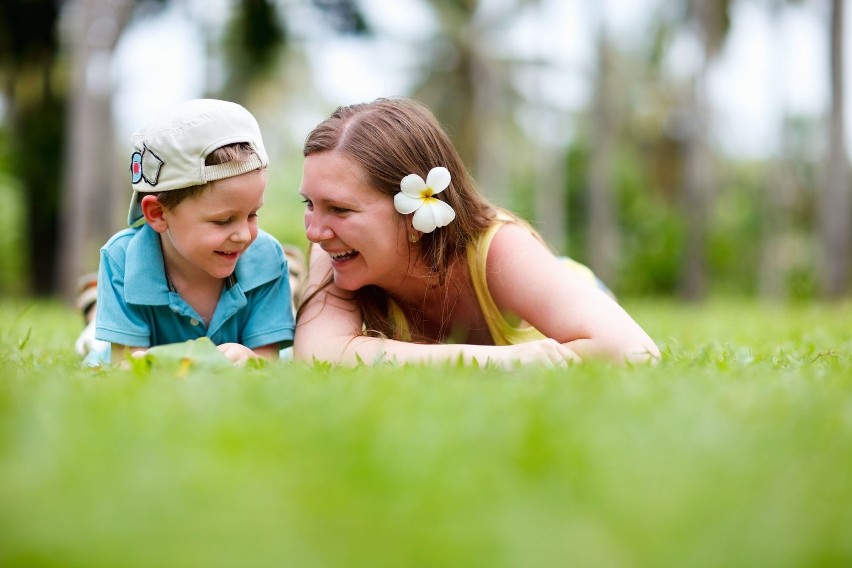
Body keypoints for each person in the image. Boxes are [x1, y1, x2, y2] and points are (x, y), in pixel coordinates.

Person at [294, 97, 660, 368]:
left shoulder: (501, 248)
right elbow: (318, 355)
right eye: (310, 204)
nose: (315, 232)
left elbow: (634, 351)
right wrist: (501, 362)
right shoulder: (334, 249)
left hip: (562, 282)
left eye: (340, 209)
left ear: (416, 210)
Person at [86, 98, 296, 366]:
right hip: (115, 341)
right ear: (158, 214)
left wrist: (251, 360)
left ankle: (294, 279)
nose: (244, 235)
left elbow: (268, 363)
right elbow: (125, 365)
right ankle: (94, 309)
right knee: (92, 342)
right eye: (223, 221)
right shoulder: (123, 260)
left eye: (253, 214)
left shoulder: (266, 258)